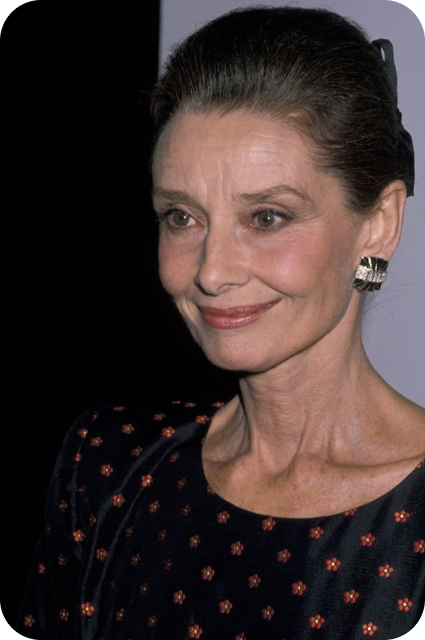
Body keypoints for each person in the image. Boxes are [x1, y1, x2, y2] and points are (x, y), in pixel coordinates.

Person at [15, 6, 424, 640]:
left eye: (266, 218)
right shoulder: (109, 467)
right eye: (182, 217)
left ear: (378, 224)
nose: (211, 271)